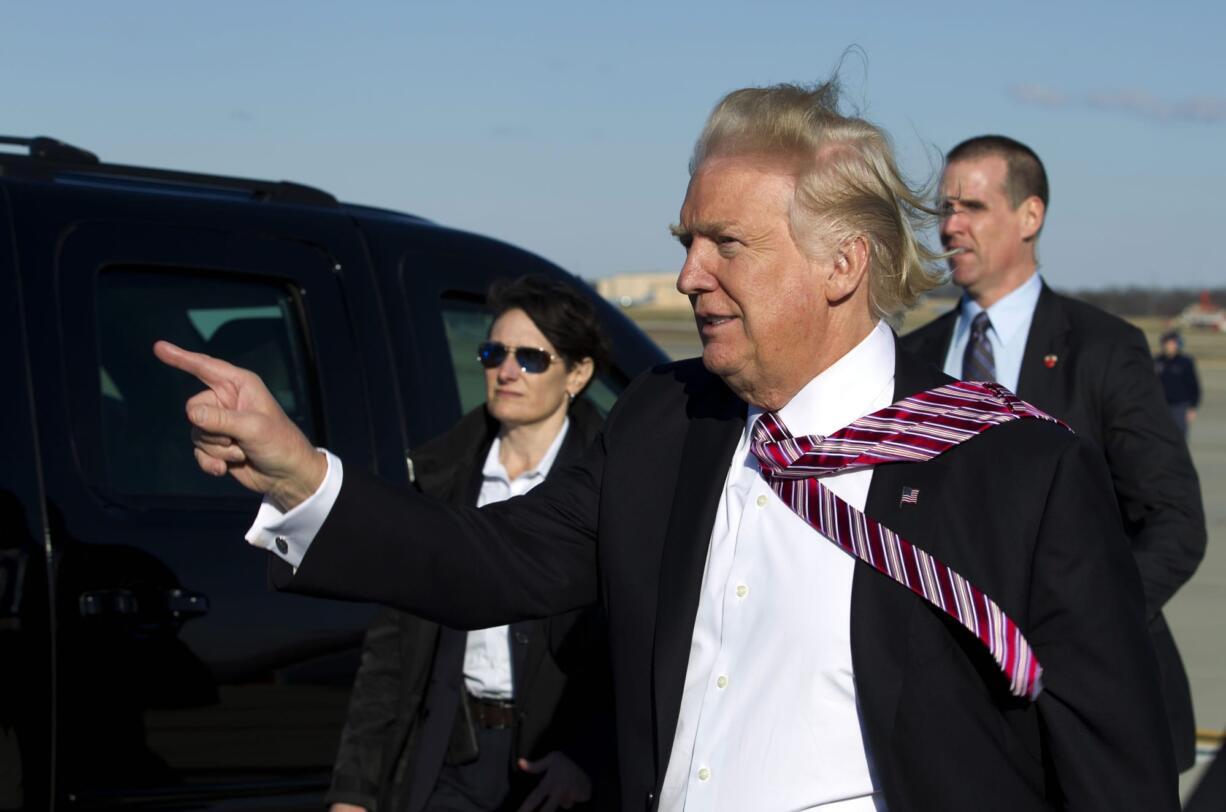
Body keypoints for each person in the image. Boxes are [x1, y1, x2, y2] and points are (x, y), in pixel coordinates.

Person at [156, 80, 1179, 810]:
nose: (688, 275)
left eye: (724, 243)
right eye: (684, 240)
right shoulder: (665, 422)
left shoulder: (1014, 468)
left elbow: (1108, 765)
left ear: (840, 261)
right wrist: (304, 475)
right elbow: (487, 558)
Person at [902, 135, 1206, 772]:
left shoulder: (1102, 349)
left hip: (1086, 703)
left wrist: (1086, 631)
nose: (950, 225)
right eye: (944, 208)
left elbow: (1176, 522)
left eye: (972, 208)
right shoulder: (914, 359)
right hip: (949, 707)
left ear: (1030, 216)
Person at [326, 275, 614, 812]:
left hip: (555, 772)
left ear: (578, 373)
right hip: (448, 757)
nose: (506, 371)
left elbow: (640, 646)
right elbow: (390, 651)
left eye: (531, 358)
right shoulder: (440, 480)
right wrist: (353, 792)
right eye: (493, 353)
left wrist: (589, 757)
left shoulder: (613, 489)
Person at [1155, 329, 1201, 436]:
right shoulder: (1157, 362)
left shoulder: (1185, 362)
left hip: (1180, 407)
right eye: (1167, 343)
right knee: (1161, 437)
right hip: (1161, 406)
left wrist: (1193, 407)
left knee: (1180, 437)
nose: (1169, 346)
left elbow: (1194, 385)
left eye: (1172, 343)